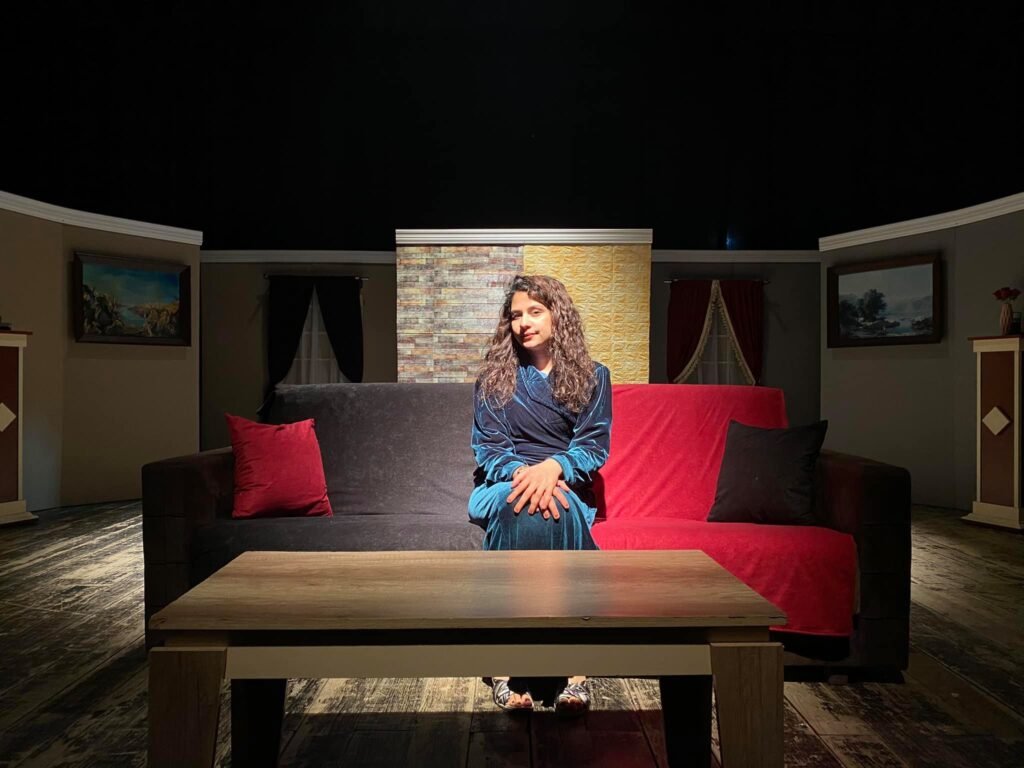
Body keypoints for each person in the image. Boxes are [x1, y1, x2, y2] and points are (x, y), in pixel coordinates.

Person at [469, 274, 612, 714]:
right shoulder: (493, 379)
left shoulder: (594, 376)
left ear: (557, 316)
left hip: (565, 482)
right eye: (516, 315)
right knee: (523, 505)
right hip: (503, 482)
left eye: (535, 311)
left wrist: (553, 468)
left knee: (557, 506)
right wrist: (526, 475)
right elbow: (489, 447)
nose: (524, 323)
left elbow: (593, 445)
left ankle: (571, 669)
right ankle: (510, 668)